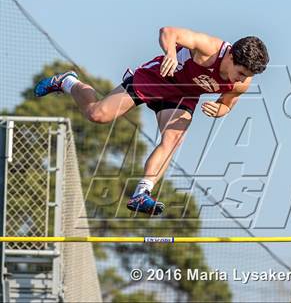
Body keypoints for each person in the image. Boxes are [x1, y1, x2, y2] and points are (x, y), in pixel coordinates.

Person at [34, 27, 269, 216]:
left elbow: (229, 101)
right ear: (229, 56)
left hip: (183, 95)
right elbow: (168, 31)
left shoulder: (242, 82)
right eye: (241, 73)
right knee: (98, 115)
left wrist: (222, 109)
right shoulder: (210, 47)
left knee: (174, 139)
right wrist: (171, 53)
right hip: (157, 77)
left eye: (247, 77)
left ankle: (142, 193)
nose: (242, 80)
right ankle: (67, 82)